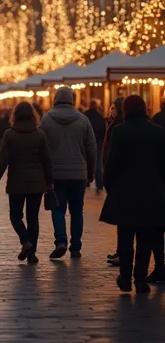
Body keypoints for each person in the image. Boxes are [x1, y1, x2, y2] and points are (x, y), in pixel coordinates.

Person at [100, 95, 165, 294]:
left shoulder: (120, 131)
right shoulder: (158, 132)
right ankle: (140, 279)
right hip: (151, 192)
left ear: (125, 110)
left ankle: (126, 278)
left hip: (124, 191)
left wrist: (109, 184)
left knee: (125, 238)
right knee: (145, 237)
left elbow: (112, 162)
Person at [0, 102, 53, 264]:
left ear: (15, 116)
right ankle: (31, 253)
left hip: (16, 182)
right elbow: (47, 160)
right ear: (33, 116)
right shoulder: (39, 134)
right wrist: (50, 180)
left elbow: (3, 159)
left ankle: (25, 241)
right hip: (36, 182)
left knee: (15, 215)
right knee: (33, 219)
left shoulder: (10, 134)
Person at [40, 85, 96, 259]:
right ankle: (76, 246)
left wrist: (43, 172)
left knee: (58, 209)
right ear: (72, 99)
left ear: (55, 99)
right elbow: (92, 149)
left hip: (56, 174)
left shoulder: (47, 119)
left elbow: (41, 147)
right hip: (79, 174)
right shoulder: (83, 120)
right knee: (77, 210)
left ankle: (61, 241)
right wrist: (91, 171)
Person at [103, 98, 124, 267]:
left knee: (124, 221)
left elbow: (111, 155)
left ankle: (123, 254)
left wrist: (107, 179)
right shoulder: (114, 125)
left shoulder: (118, 128)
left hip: (121, 180)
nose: (111, 111)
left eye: (113, 109)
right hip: (127, 180)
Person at [84, 100, 106, 191]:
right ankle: (99, 182)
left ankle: (86, 181)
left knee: (85, 161)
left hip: (86, 141)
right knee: (97, 163)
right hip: (98, 141)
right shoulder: (100, 117)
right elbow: (103, 130)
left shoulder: (85, 116)